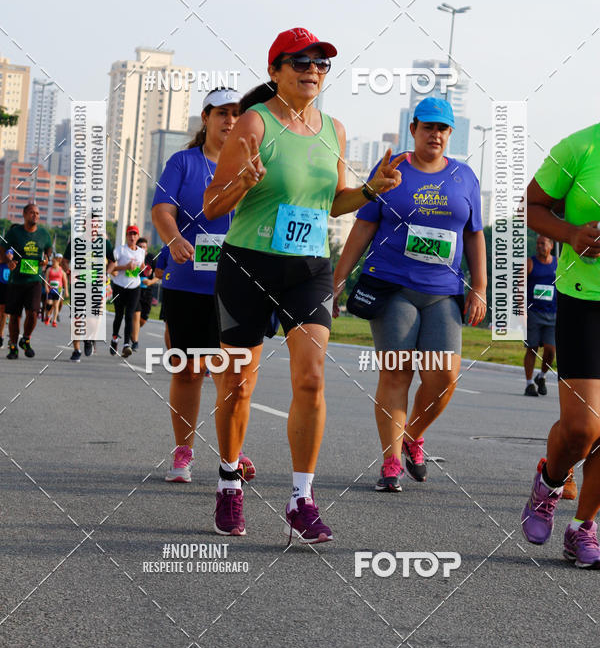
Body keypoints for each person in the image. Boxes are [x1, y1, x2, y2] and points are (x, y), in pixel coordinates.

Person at [203, 27, 403, 541]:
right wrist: (243, 182)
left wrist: (370, 190)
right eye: (301, 62)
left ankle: (301, 498)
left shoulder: (332, 129)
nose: (313, 70)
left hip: (309, 268)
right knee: (238, 383)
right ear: (275, 71)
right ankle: (229, 481)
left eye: (321, 63)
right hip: (249, 263)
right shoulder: (254, 121)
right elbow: (211, 207)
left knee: (312, 379)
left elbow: (332, 203)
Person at [333, 97, 487, 492]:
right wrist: (337, 279)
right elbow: (364, 226)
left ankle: (412, 435)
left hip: (443, 292)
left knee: (444, 377)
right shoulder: (393, 169)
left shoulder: (465, 177)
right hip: (393, 287)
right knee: (398, 371)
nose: (435, 134)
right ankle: (389, 462)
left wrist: (481, 287)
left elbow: (474, 234)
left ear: (450, 134)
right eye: (428, 127)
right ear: (414, 128)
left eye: (443, 129)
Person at [152, 87, 255, 485]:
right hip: (188, 285)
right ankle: (184, 452)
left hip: (237, 287)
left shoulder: (254, 164)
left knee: (232, 375)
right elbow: (162, 208)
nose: (230, 120)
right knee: (189, 371)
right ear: (206, 118)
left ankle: (232, 452)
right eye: (222, 113)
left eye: (237, 113)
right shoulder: (184, 162)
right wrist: (174, 238)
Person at [521, 122, 600, 568]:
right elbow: (530, 206)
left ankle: (582, 528)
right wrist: (571, 234)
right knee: (583, 429)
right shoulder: (582, 146)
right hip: (584, 300)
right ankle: (550, 481)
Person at [2, 203, 52, 359]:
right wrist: (8, 261)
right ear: (24, 214)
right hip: (16, 281)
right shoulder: (15, 233)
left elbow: (48, 249)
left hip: (34, 280)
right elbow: (2, 251)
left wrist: (46, 258)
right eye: (32, 212)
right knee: (15, 316)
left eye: (37, 213)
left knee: (33, 313)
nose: (35, 215)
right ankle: (13, 347)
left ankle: (26, 339)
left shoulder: (44, 234)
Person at [62, 238, 115, 361]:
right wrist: (69, 272)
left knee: (93, 320)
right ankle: (76, 350)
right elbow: (64, 261)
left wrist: (106, 274)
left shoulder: (105, 243)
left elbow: (112, 262)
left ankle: (88, 338)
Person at [524, 235, 557, 397]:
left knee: (551, 350)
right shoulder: (530, 263)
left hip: (553, 312)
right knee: (532, 348)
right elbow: (519, 286)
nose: (539, 246)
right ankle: (529, 383)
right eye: (538, 244)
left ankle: (541, 376)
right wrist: (520, 309)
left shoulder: (558, 263)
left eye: (543, 243)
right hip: (533, 312)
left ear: (551, 245)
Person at [110, 225, 145, 358]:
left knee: (129, 315)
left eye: (134, 234)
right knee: (119, 315)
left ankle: (126, 344)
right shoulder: (120, 250)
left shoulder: (141, 252)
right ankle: (114, 339)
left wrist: (144, 269)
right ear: (126, 236)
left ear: (137, 237)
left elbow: (141, 267)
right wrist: (125, 267)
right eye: (130, 234)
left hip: (134, 287)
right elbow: (112, 265)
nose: (132, 237)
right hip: (120, 286)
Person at [130, 237, 159, 352]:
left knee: (143, 319)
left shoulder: (151, 258)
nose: (142, 249)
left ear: (147, 249)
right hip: (135, 290)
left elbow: (159, 274)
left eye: (144, 247)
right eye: (140, 247)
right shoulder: (133, 257)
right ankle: (135, 342)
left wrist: (151, 281)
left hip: (148, 291)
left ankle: (132, 330)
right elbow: (128, 273)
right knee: (136, 315)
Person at [44, 255, 69, 327]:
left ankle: (54, 320)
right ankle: (47, 315)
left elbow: (65, 282)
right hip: (51, 289)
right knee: (49, 304)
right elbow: (46, 280)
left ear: (58, 262)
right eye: (52, 262)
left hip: (58, 289)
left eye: (54, 262)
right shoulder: (49, 270)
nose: (53, 263)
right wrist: (46, 287)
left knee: (56, 305)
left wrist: (66, 291)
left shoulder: (61, 271)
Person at [0, 252, 10, 346]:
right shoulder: (3, 247)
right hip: (1, 283)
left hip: (11, 285)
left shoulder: (17, 247)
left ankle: (1, 335)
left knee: (5, 313)